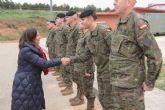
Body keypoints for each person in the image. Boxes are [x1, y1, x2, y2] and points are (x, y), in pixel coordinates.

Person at [108, 0, 163, 109]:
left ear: (128, 2)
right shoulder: (120, 21)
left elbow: (155, 55)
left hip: (131, 89)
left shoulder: (138, 23)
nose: (114, 3)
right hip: (117, 85)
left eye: (117, 0)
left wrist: (149, 82)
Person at [11, 27, 68, 110]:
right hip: (26, 82)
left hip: (30, 80)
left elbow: (37, 64)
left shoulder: (33, 49)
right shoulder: (26, 51)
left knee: (33, 103)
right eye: (37, 35)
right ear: (32, 37)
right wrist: (60, 60)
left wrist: (48, 68)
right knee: (26, 105)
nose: (39, 37)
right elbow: (43, 63)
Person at [66, 9, 113, 110]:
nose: (81, 22)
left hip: (110, 72)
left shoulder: (104, 31)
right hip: (101, 72)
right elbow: (85, 56)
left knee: (110, 100)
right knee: (103, 98)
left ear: (90, 19)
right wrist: (70, 59)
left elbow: (117, 52)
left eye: (83, 19)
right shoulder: (89, 36)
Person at [69, 20, 96, 110]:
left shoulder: (89, 36)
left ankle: (91, 106)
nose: (80, 24)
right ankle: (82, 99)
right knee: (81, 85)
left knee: (88, 89)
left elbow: (88, 55)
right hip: (79, 65)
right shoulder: (82, 34)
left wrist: (88, 70)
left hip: (86, 67)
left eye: (82, 22)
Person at [60, 10, 80, 96]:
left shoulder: (77, 29)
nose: (66, 19)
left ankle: (80, 97)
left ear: (74, 17)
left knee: (79, 79)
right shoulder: (71, 29)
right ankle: (78, 96)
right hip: (71, 57)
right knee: (74, 77)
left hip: (76, 58)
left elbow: (79, 46)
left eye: (67, 17)